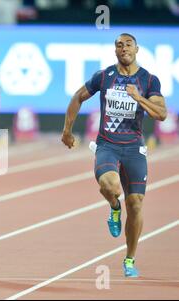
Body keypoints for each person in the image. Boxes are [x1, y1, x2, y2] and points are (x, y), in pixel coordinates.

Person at [61, 33, 167, 277]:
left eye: (128, 44)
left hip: (134, 148)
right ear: (115, 51)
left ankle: (130, 259)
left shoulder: (149, 80)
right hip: (107, 145)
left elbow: (161, 114)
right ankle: (113, 206)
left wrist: (138, 98)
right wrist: (67, 130)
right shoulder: (104, 76)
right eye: (119, 45)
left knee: (136, 204)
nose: (123, 48)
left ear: (137, 49)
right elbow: (78, 97)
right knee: (112, 187)